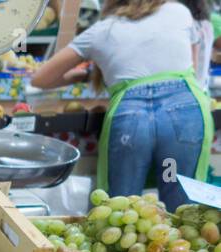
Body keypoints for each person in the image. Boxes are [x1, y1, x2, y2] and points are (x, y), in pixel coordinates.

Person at [31, 0, 214, 209]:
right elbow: (192, 68)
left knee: (122, 206)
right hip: (184, 111)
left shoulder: (101, 31)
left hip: (131, 117)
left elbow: (40, 79)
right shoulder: (178, 11)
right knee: (182, 204)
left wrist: (84, 75)